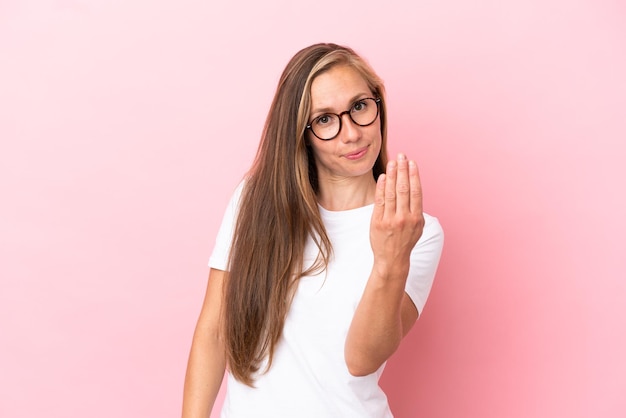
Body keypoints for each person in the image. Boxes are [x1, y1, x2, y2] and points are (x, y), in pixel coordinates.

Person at [182, 42, 444, 418]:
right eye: (324, 119)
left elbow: (361, 359)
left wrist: (390, 259)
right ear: (302, 133)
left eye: (359, 107)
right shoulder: (255, 201)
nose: (351, 133)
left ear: (378, 104)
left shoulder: (416, 230)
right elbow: (213, 328)